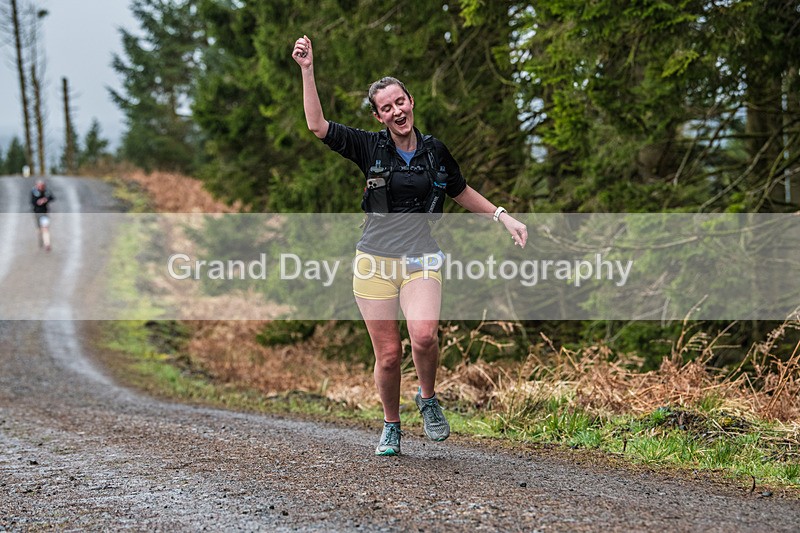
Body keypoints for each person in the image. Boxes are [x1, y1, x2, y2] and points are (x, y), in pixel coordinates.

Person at [293, 35, 528, 456]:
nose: (396, 111)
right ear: (379, 115)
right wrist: (308, 70)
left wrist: (501, 216)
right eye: (387, 107)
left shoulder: (435, 150)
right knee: (388, 355)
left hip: (421, 259)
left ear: (411, 101)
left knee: (423, 337)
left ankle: (428, 397)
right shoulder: (369, 146)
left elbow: (460, 190)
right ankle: (391, 425)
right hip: (374, 264)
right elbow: (317, 126)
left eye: (400, 101)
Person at [31, 179, 55, 251]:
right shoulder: (34, 192)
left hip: (44, 213)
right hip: (37, 213)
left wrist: (45, 199)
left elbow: (52, 197)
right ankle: (41, 240)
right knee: (40, 229)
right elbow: (33, 202)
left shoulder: (46, 191)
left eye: (42, 186)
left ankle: (47, 243)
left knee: (45, 228)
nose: (41, 187)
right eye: (40, 186)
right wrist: (39, 201)